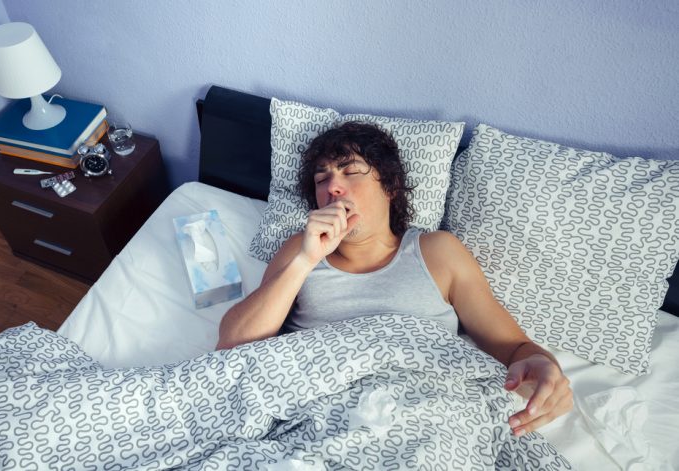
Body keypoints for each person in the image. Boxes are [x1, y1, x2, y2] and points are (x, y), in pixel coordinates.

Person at [217, 121, 573, 436]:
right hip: (315, 414)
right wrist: (306, 260)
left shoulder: (438, 252)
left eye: (350, 171)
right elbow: (233, 344)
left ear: (390, 186)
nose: (333, 187)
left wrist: (544, 367)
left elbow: (515, 348)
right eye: (322, 179)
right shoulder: (300, 249)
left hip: (417, 418)